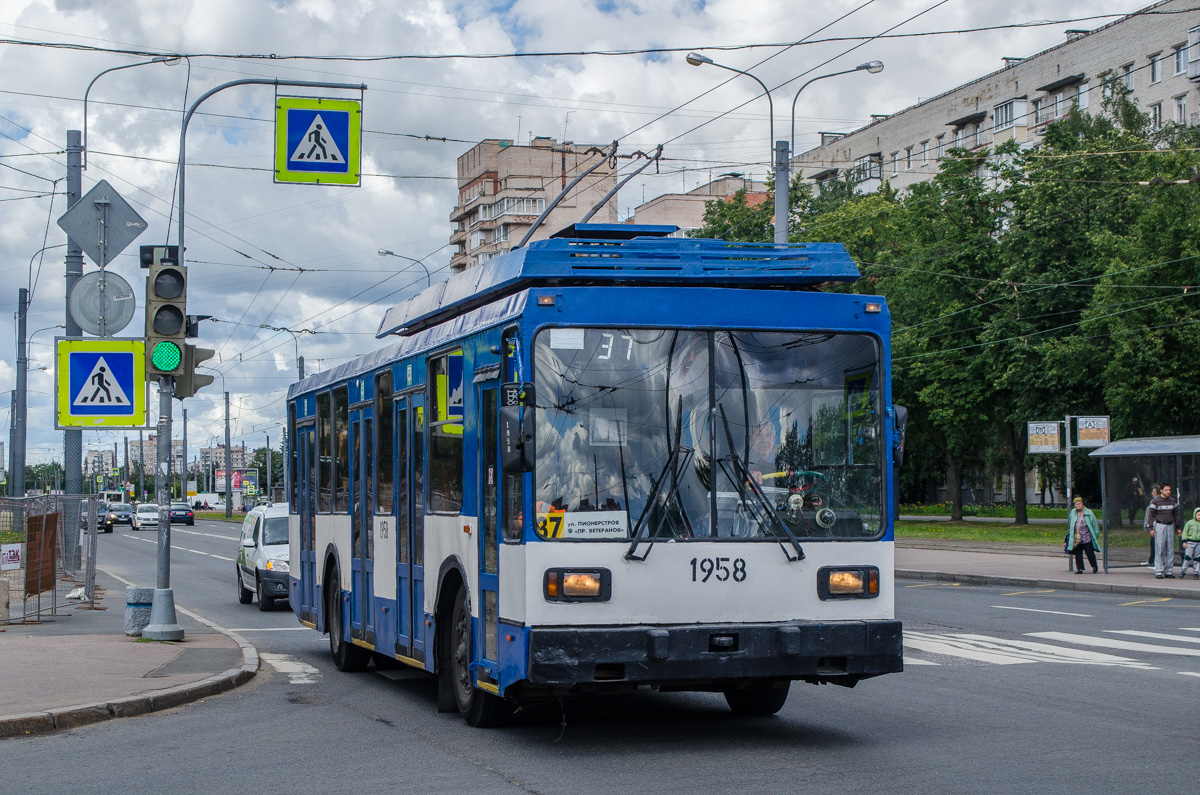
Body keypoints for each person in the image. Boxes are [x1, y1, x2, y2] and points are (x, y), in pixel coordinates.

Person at [1146, 482, 1182, 579]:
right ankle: (1159, 570)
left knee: (1170, 548)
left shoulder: (1172, 501)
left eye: (1169, 490)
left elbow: (1176, 515)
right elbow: (1151, 515)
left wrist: (1178, 527)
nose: (1168, 492)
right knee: (1160, 548)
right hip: (1160, 525)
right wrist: (1151, 528)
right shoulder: (1156, 501)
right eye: (1166, 490)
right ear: (1161, 490)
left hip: (1170, 525)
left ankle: (1169, 571)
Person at [1066, 497, 1100, 574]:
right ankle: (1080, 568)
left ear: (1082, 504)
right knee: (1078, 554)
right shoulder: (1073, 513)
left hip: (1087, 537)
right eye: (1076, 504)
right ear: (1074, 505)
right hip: (1077, 538)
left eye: (1079, 504)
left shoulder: (1089, 513)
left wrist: (1095, 536)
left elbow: (1095, 525)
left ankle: (1094, 566)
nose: (1078, 506)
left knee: (1089, 552)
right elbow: (1071, 524)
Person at [1143, 485, 1160, 567]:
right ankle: (1151, 560)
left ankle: (1154, 562)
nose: (1152, 493)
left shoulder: (1158, 502)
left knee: (1155, 543)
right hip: (1152, 525)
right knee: (1152, 543)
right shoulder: (1153, 501)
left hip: (1156, 526)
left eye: (1153, 492)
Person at [1181, 508, 1200, 580]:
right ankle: (1183, 570)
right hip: (1190, 542)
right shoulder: (1190, 523)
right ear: (1195, 514)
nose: (1199, 516)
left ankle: (1196, 572)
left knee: (1197, 558)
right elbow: (1185, 532)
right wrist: (1184, 541)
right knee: (1188, 557)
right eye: (1198, 514)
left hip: (1198, 542)